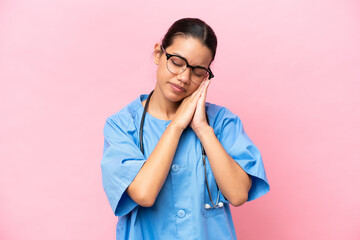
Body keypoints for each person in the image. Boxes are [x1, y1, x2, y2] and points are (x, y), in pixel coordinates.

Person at [101, 17, 270, 240]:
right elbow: (144, 194)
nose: (184, 77)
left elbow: (238, 194)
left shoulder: (221, 122)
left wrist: (202, 128)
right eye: (177, 62)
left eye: (198, 71)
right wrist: (177, 125)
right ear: (158, 54)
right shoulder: (121, 126)